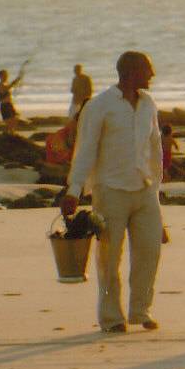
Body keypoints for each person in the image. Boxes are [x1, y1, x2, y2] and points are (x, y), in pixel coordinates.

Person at [61, 51, 163, 333]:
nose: (152, 75)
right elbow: (85, 150)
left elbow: (155, 148)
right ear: (131, 72)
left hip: (145, 190)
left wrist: (157, 188)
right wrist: (74, 189)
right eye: (147, 69)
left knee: (149, 252)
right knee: (109, 258)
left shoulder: (148, 104)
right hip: (110, 190)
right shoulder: (100, 106)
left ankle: (140, 310)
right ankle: (111, 317)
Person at [0, 61, 28, 126]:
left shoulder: (6, 83)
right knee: (9, 122)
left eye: (7, 75)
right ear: (1, 76)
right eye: (5, 75)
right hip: (5, 105)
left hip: (9, 104)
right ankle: (9, 131)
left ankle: (11, 131)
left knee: (14, 120)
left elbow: (10, 86)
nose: (7, 76)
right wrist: (15, 81)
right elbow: (6, 88)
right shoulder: (0, 85)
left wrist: (17, 80)